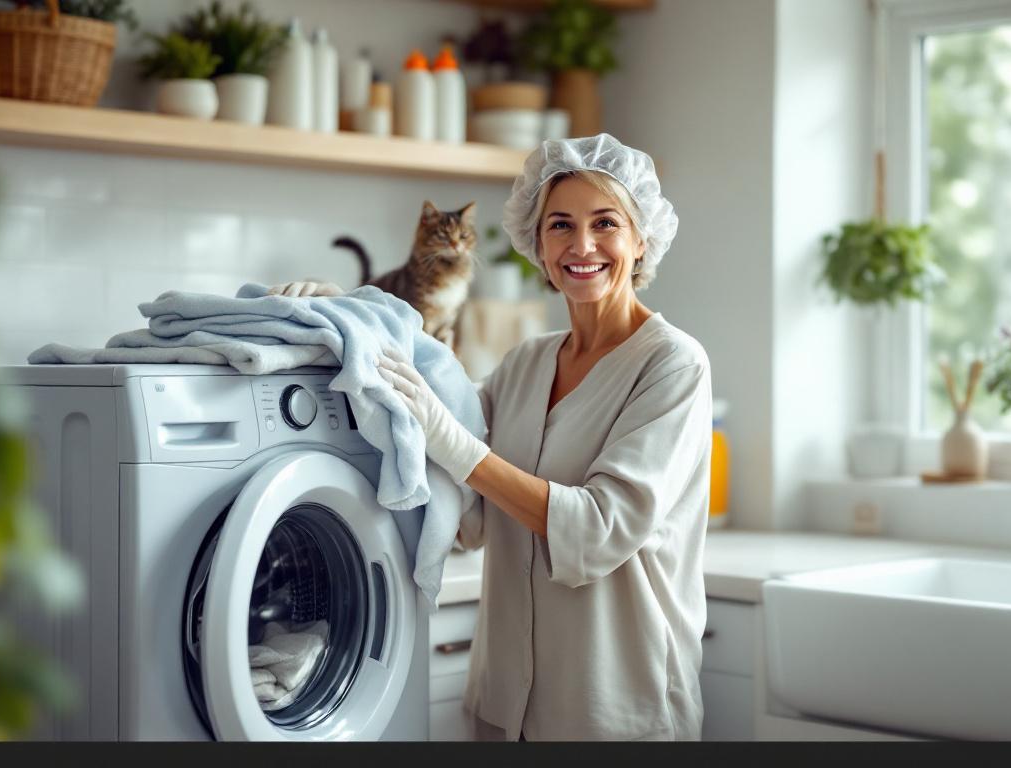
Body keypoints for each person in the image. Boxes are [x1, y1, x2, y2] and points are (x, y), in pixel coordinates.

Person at [272, 134, 711, 741]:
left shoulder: (673, 365)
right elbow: (461, 501)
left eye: (604, 223)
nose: (581, 245)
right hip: (507, 701)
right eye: (560, 225)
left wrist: (453, 442)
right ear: (537, 241)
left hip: (612, 703)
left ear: (640, 240)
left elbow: (598, 529)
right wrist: (349, 314)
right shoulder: (525, 364)